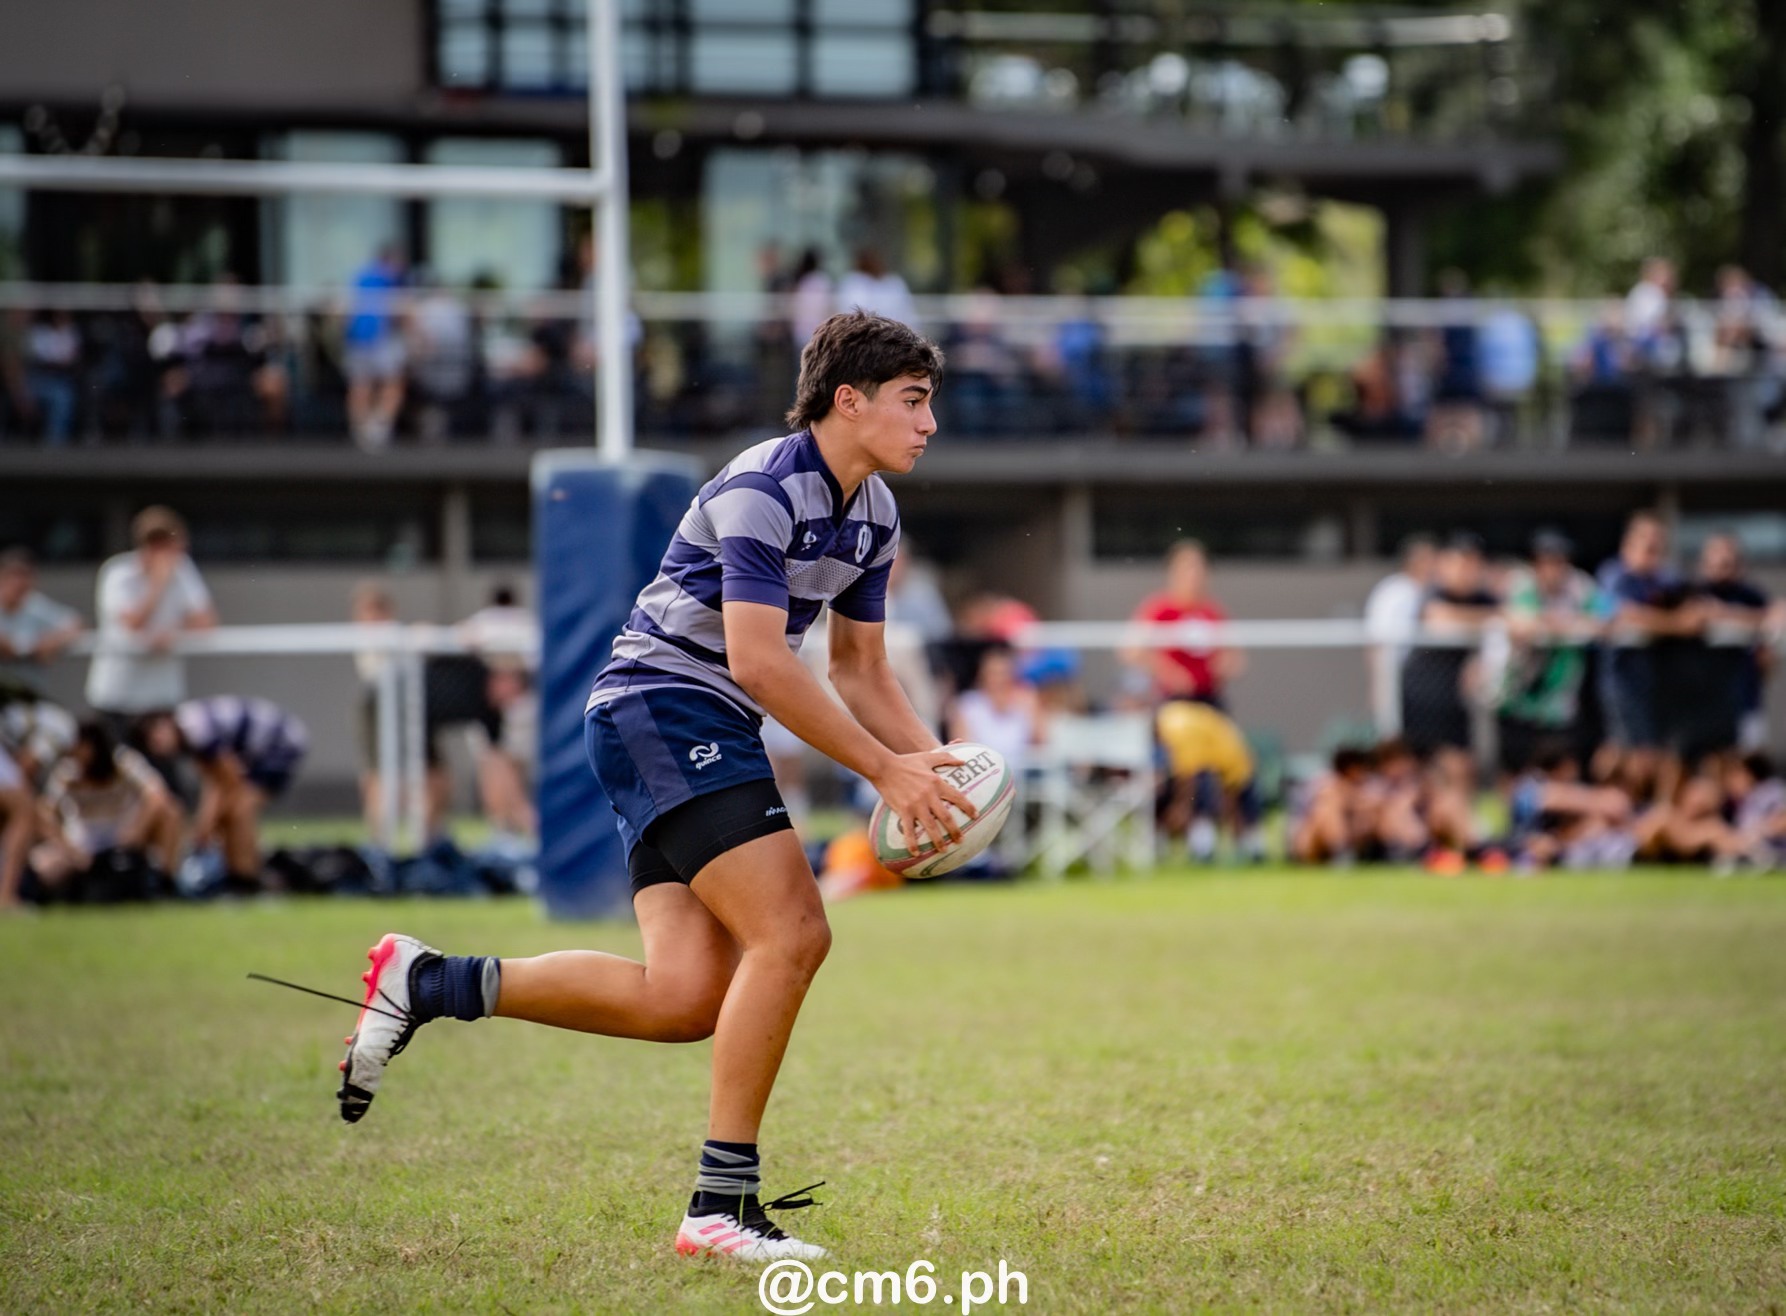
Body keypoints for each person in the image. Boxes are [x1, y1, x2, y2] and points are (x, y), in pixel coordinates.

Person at [331, 310, 972, 1263]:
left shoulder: (874, 514)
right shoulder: (765, 485)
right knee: (794, 933)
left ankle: (429, 982)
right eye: (913, 403)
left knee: (685, 998)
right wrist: (883, 771)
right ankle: (721, 1205)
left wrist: (935, 768)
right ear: (851, 400)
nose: (928, 424)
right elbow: (758, 661)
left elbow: (864, 672)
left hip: (675, 724)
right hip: (663, 710)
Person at [1595, 511, 1702, 795]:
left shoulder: (1667, 578)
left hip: (1658, 685)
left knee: (1659, 758)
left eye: (1658, 545)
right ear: (1628, 544)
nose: (1652, 551)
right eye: (1646, 543)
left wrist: (1670, 621)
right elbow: (1619, 613)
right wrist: (1673, 624)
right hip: (1621, 683)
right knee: (1625, 757)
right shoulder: (1613, 574)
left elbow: (1697, 612)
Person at [84, 506, 218, 728]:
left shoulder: (183, 570)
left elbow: (207, 622)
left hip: (162, 698)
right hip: (117, 695)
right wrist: (158, 584)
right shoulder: (117, 573)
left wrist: (174, 632)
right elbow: (132, 623)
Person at [166, 695, 309, 891]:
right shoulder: (190, 732)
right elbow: (215, 782)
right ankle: (239, 875)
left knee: (240, 811)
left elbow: (232, 779)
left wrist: (207, 823)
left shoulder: (195, 729)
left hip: (279, 746)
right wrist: (206, 822)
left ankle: (247, 878)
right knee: (232, 811)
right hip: (260, 753)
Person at [30, 719, 182, 900]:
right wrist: (68, 848)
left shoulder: (123, 761)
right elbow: (44, 811)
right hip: (83, 841)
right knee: (43, 866)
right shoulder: (67, 771)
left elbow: (158, 795)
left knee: (171, 812)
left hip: (122, 833)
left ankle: (165, 885)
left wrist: (136, 830)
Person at [1495, 530, 1602, 773]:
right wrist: (1569, 624)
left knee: (1561, 772)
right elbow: (1520, 624)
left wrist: (1557, 624)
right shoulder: (1522, 584)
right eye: (1546, 561)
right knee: (1517, 774)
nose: (1553, 569)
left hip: (1560, 705)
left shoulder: (1580, 586)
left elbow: (1606, 620)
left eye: (1558, 561)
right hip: (1518, 701)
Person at [1399, 532, 1498, 761]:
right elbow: (1439, 620)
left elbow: (1510, 620)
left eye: (1473, 562)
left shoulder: (1484, 598)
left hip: (1460, 702)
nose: (1467, 570)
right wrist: (1486, 619)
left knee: (1462, 767)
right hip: (1422, 699)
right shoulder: (1434, 592)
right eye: (1461, 561)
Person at [1123, 539, 1242, 709]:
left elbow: (1235, 658)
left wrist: (1224, 666)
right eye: (1186, 568)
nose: (1193, 575)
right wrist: (1167, 672)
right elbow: (1131, 651)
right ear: (1173, 573)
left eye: (1198, 568)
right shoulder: (1159, 609)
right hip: (1172, 701)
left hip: (1210, 699)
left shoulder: (1213, 612)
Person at [1154, 699, 1264, 862]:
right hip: (1234, 756)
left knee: (1214, 802)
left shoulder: (1173, 726)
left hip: (1230, 763)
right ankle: (1250, 848)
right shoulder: (1173, 716)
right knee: (1236, 808)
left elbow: (1188, 773)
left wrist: (1182, 807)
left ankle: (1207, 849)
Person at [1693, 533, 1771, 753]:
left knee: (1746, 769)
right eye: (1717, 561)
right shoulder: (1693, 593)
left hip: (1745, 702)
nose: (1723, 567)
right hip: (1701, 704)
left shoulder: (1752, 596)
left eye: (1730, 562)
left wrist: (1725, 614)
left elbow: (1772, 618)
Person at [1364, 535, 1437, 736]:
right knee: (1392, 734)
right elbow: (1376, 640)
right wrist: (1378, 682)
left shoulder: (1428, 591)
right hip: (1394, 673)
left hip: (1420, 678)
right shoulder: (1395, 590)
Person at [344, 244, 408, 451]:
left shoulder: (360, 277)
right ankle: (376, 427)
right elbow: (400, 312)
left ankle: (363, 430)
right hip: (377, 339)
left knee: (361, 385)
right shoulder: (388, 279)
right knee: (391, 383)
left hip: (356, 340)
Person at [948, 645, 1044, 773]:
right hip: (982, 772)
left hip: (1022, 772)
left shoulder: (1025, 700)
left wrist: (1029, 708)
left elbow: (1041, 743)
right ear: (982, 675)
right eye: (993, 673)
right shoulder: (967, 704)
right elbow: (961, 748)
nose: (999, 679)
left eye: (1004, 673)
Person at [0, 548, 83, 692]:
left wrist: (52, 642)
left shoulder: (35, 605)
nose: (18, 583)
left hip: (29, 692)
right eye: (13, 577)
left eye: (24, 577)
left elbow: (75, 623)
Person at [836, 248, 918, 329]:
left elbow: (906, 312)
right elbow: (854, 310)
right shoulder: (854, 282)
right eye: (870, 261)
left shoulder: (894, 282)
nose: (875, 263)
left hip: (895, 332)